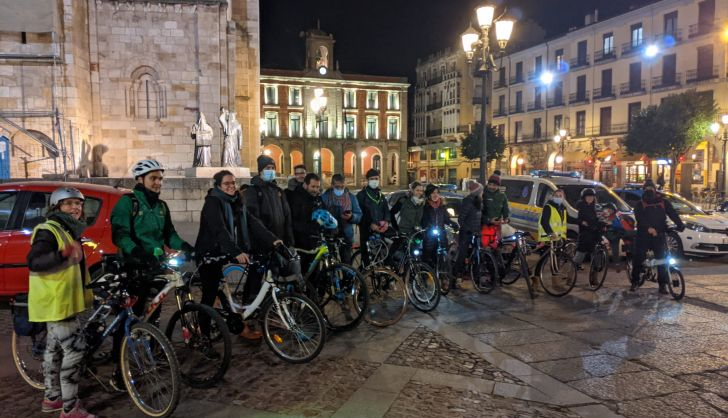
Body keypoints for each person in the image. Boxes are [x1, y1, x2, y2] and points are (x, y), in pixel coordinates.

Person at [110, 159, 194, 391]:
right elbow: (120, 235)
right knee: (131, 318)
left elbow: (170, 235)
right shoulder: (128, 203)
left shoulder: (161, 207)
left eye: (160, 179)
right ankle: (119, 369)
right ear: (140, 179)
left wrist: (186, 246)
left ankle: (149, 352)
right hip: (133, 266)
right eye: (153, 178)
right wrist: (137, 251)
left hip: (154, 267)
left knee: (153, 313)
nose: (158, 183)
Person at [27, 187, 96, 418]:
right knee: (75, 351)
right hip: (56, 302)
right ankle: (69, 408)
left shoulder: (68, 230)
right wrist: (63, 255)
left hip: (60, 301)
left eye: (78, 204)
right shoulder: (48, 230)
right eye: (69, 204)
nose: (75, 208)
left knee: (53, 350)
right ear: (57, 207)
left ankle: (52, 399)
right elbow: (35, 261)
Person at [195, 170, 281, 340]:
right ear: (218, 185)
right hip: (208, 254)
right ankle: (203, 336)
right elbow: (219, 230)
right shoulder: (213, 202)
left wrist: (273, 239)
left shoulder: (236, 202)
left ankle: (239, 324)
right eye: (227, 183)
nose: (231, 186)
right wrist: (235, 251)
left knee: (229, 293)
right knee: (209, 296)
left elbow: (253, 223)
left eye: (233, 183)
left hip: (224, 251)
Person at [630, 179, 684, 293]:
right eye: (647, 189)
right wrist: (649, 228)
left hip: (659, 234)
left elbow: (672, 213)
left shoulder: (663, 202)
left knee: (662, 259)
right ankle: (635, 281)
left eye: (651, 188)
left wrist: (680, 224)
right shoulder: (640, 204)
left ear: (655, 190)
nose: (649, 191)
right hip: (644, 235)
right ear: (644, 190)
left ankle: (662, 285)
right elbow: (640, 218)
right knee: (639, 257)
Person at [244, 154, 295, 246]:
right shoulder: (253, 191)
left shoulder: (278, 191)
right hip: (264, 243)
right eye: (267, 168)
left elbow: (287, 217)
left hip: (280, 242)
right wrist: (270, 239)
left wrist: (290, 241)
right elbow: (253, 219)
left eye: (273, 168)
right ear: (260, 171)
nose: (271, 170)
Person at [321, 174, 362, 265]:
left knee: (347, 263)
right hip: (329, 235)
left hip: (346, 236)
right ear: (332, 185)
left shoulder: (351, 197)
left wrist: (351, 217)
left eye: (342, 186)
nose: (340, 189)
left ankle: (347, 279)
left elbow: (359, 215)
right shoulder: (325, 197)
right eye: (337, 187)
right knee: (329, 264)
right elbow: (320, 215)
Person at [356, 169, 391, 267]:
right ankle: (364, 277)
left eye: (376, 178)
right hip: (366, 231)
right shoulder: (361, 195)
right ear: (367, 180)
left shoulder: (381, 195)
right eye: (372, 179)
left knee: (382, 256)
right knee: (367, 260)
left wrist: (387, 222)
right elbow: (359, 214)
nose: (374, 181)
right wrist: (370, 224)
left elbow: (386, 211)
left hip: (380, 230)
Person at [289, 173, 323, 269]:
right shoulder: (296, 198)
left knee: (315, 271)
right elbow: (292, 221)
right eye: (313, 186)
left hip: (314, 242)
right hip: (301, 244)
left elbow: (325, 213)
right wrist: (310, 229)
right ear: (305, 184)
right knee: (303, 272)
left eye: (317, 187)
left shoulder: (318, 198)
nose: (315, 190)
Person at [454, 180, 483, 287]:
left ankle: (476, 277)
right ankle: (455, 277)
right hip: (466, 233)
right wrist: (467, 229)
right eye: (480, 191)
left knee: (477, 255)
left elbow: (480, 217)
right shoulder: (468, 201)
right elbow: (461, 219)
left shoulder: (479, 201)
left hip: (476, 232)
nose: (481, 193)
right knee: (462, 255)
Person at [421, 184, 458, 268]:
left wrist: (453, 224)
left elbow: (446, 219)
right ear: (429, 194)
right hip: (429, 235)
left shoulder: (441, 206)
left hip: (441, 234)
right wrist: (428, 227)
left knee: (443, 255)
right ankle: (425, 274)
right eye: (433, 193)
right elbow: (423, 221)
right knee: (428, 255)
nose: (435, 195)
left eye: (437, 193)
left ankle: (442, 274)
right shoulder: (425, 206)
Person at [601, 202, 635, 272]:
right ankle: (602, 262)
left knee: (615, 247)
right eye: (607, 209)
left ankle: (617, 264)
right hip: (608, 234)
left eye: (610, 209)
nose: (608, 211)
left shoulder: (618, 215)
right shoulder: (604, 215)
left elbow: (622, 225)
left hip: (616, 234)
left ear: (614, 210)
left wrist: (612, 223)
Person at [573, 188, 600, 268]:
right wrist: (582, 222)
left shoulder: (595, 207)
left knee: (595, 254)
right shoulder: (580, 206)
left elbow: (597, 218)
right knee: (580, 254)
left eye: (591, 197)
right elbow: (577, 218)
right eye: (588, 197)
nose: (590, 198)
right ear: (584, 197)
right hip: (585, 234)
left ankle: (594, 276)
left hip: (594, 233)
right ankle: (571, 274)